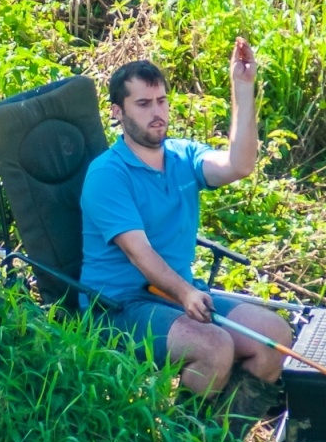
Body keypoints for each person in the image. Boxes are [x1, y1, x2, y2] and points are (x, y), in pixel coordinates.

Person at [79, 38, 293, 410]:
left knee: (274, 334)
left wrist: (242, 87)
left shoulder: (182, 155)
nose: (156, 112)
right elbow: (139, 253)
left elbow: (238, 165)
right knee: (213, 345)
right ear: (117, 112)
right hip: (117, 307)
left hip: (177, 295)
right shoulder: (106, 175)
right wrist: (185, 294)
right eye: (143, 104)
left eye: (161, 101)